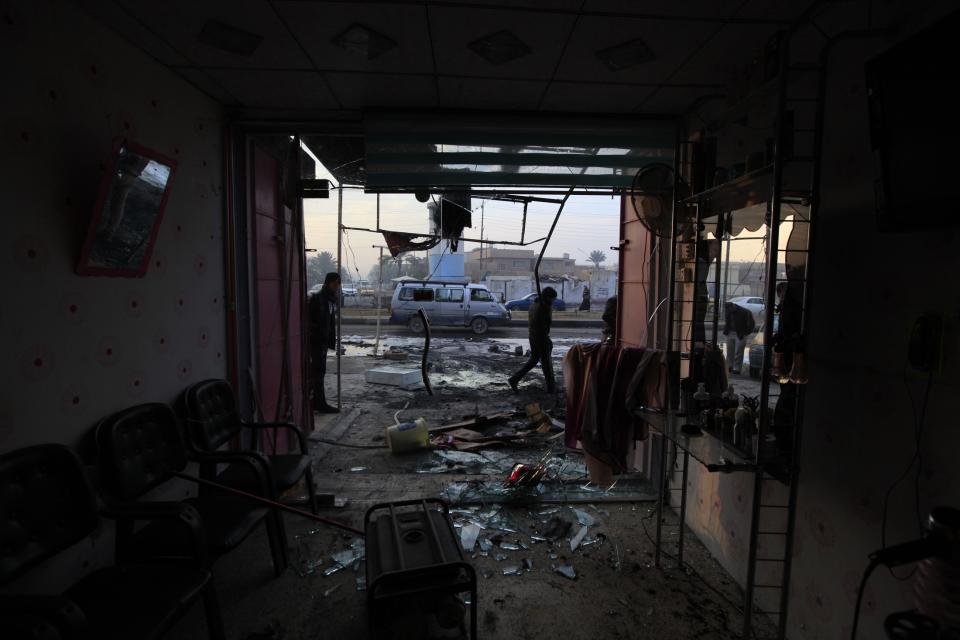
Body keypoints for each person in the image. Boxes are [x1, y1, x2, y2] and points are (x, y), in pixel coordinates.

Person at [508, 287, 557, 393]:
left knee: (534, 360)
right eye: (553, 299)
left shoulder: (534, 305)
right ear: (548, 298)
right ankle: (551, 389)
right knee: (546, 364)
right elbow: (544, 325)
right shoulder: (543, 307)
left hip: (533, 336)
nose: (553, 301)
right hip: (540, 338)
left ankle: (514, 379)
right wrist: (547, 341)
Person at [309, 272, 341, 413]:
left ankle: (318, 402)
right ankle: (319, 403)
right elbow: (311, 322)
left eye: (338, 284)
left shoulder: (331, 300)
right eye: (335, 283)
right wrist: (317, 337)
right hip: (316, 343)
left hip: (322, 343)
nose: (337, 286)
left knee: (320, 372)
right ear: (328, 283)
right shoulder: (318, 299)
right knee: (317, 373)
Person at [723, 300, 756, 375]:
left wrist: (745, 333)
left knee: (738, 352)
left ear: (733, 307)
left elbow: (751, 325)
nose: (729, 312)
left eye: (730, 310)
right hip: (731, 332)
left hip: (740, 333)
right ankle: (730, 366)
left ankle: (736, 368)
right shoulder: (729, 311)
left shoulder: (745, 312)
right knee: (730, 350)